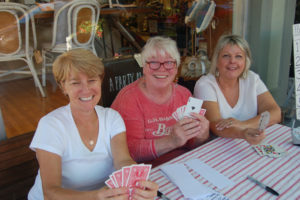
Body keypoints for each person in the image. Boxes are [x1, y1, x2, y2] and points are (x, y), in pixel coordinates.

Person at [28, 49, 158, 200]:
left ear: (100, 81)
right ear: (63, 87)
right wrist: (96, 196)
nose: (86, 90)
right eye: (75, 83)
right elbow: (50, 192)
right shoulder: (51, 125)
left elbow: (122, 160)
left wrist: (137, 182)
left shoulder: (112, 117)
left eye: (91, 80)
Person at [111, 36, 209, 164]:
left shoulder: (184, 94)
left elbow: (191, 144)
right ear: (144, 67)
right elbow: (130, 153)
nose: (161, 68)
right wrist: (171, 141)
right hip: (150, 172)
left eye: (169, 62)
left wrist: (201, 136)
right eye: (153, 62)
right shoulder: (128, 99)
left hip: (184, 165)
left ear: (176, 68)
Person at [194, 34, 281, 145]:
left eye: (239, 56)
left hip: (248, 144)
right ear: (216, 60)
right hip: (218, 148)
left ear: (246, 61)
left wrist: (242, 125)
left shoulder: (252, 78)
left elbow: (275, 112)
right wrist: (243, 133)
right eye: (226, 56)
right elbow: (215, 125)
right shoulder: (205, 84)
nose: (232, 61)